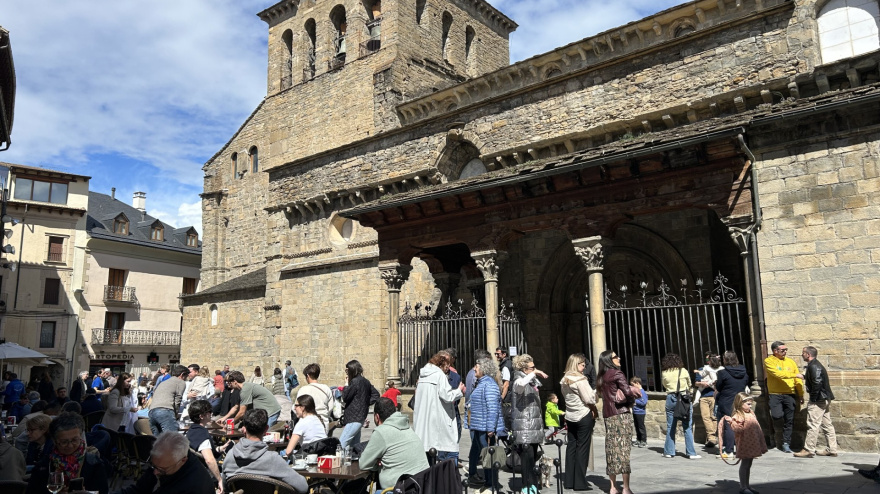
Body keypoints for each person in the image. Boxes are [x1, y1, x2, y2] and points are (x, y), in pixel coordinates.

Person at [222, 409, 308, 493]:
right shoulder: (272, 459)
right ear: (266, 429)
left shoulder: (230, 455)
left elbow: (225, 486)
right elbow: (303, 487)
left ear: (244, 429)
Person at [26, 412, 109, 494]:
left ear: (81, 436)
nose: (70, 445)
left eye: (74, 440)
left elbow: (102, 491)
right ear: (54, 441)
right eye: (64, 442)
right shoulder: (44, 466)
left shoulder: (93, 463)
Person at [360, 397, 430, 491]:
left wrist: (378, 464)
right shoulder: (407, 427)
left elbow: (363, 464)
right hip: (420, 486)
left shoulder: (381, 432)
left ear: (377, 417)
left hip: (400, 489)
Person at [119, 431, 215, 494]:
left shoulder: (191, 486)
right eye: (153, 465)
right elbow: (139, 490)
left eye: (162, 469)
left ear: (183, 460)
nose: (155, 472)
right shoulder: (165, 463)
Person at [598, 349, 638, 494]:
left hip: (608, 415)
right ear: (609, 360)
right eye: (615, 357)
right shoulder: (617, 373)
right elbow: (627, 391)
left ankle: (612, 487)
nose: (619, 358)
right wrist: (632, 401)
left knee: (611, 450)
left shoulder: (602, 376)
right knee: (623, 451)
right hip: (621, 415)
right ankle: (626, 488)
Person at [413, 351, 464, 463]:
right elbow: (447, 396)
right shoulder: (439, 375)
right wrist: (459, 390)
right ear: (441, 364)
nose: (448, 368)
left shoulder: (423, 375)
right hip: (435, 419)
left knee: (426, 451)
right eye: (447, 365)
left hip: (423, 419)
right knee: (437, 448)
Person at [510, 354, 547, 494]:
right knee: (526, 458)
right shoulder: (518, 380)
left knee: (532, 458)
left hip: (534, 425)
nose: (534, 369)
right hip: (524, 427)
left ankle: (532, 484)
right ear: (524, 369)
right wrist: (534, 374)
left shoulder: (532, 381)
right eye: (532, 367)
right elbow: (520, 386)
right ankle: (526, 486)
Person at [561, 353, 598, 491]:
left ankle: (569, 480)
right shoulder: (580, 380)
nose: (584, 367)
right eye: (582, 364)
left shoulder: (564, 379)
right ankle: (580, 482)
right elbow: (590, 399)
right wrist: (595, 393)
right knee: (582, 448)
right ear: (576, 364)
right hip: (583, 415)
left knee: (571, 447)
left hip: (570, 415)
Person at [794, 346, 838, 458]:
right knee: (827, 424)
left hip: (818, 400)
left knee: (813, 424)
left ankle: (809, 449)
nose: (802, 354)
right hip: (824, 398)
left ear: (808, 355)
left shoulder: (814, 366)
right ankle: (832, 449)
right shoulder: (814, 365)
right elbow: (815, 378)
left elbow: (817, 383)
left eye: (803, 353)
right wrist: (803, 376)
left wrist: (813, 400)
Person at [466, 356, 503, 492]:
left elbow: (492, 407)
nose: (474, 368)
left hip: (485, 427)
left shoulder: (489, 385)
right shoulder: (481, 383)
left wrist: (490, 428)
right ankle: (486, 482)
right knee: (483, 454)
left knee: (489, 456)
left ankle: (490, 484)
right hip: (478, 426)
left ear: (484, 369)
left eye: (476, 366)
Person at [722, 393, 767, 494]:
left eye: (751, 404)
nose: (750, 406)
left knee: (749, 464)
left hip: (752, 441)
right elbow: (737, 429)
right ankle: (743, 487)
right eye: (748, 404)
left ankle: (747, 485)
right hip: (745, 443)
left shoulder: (751, 413)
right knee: (745, 464)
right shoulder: (738, 415)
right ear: (740, 403)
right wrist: (731, 422)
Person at [763, 340, 803, 453]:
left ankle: (786, 443)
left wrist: (800, 393)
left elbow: (797, 380)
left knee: (789, 420)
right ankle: (778, 436)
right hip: (775, 394)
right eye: (783, 350)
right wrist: (795, 375)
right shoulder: (769, 361)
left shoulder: (790, 362)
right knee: (777, 416)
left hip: (789, 394)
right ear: (775, 351)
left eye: (786, 350)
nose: (785, 352)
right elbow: (777, 374)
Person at [661, 352, 700, 459]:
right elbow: (689, 384)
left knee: (670, 426)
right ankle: (691, 453)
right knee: (687, 426)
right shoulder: (683, 371)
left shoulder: (664, 372)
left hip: (671, 398)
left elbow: (664, 385)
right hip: (683, 398)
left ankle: (669, 451)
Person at [714, 351, 750, 459]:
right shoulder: (744, 371)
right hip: (739, 400)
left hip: (726, 401)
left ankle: (729, 451)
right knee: (740, 423)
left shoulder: (723, 373)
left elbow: (719, 387)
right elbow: (745, 383)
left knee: (728, 425)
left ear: (725, 360)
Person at [184, 400, 224, 490]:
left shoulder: (192, 430)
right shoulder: (201, 434)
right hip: (207, 474)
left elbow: (203, 450)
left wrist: (219, 449)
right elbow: (209, 460)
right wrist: (220, 480)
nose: (211, 413)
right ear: (201, 416)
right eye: (209, 411)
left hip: (196, 471)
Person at [340, 359, 379, 449]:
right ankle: (354, 461)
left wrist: (346, 385)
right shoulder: (365, 381)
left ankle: (338, 461)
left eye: (347, 370)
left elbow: (345, 397)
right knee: (354, 445)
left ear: (352, 370)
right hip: (361, 416)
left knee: (342, 443)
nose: (346, 373)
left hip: (353, 417)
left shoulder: (354, 382)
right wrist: (365, 403)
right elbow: (376, 394)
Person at [149, 365, 188, 435]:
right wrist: (176, 414)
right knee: (172, 438)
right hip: (165, 411)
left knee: (157, 441)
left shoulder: (163, 382)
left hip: (152, 412)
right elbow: (178, 400)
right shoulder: (180, 382)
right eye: (186, 377)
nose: (186, 379)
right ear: (182, 374)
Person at [694, 352, 723, 448]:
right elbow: (696, 383)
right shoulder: (702, 369)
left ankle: (711, 438)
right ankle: (712, 437)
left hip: (714, 395)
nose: (708, 361)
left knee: (714, 417)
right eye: (707, 359)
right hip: (704, 396)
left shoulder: (720, 370)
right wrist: (702, 384)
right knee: (705, 417)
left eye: (709, 359)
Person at [297, 363, 334, 430]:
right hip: (323, 423)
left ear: (307, 376)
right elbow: (330, 407)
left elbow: (297, 408)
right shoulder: (326, 389)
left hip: (307, 424)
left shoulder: (303, 390)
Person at [630, 376, 648, 448]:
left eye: (633, 385)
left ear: (637, 383)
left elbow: (643, 402)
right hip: (635, 411)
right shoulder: (636, 392)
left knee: (641, 427)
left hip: (640, 412)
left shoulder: (642, 392)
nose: (632, 387)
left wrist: (635, 401)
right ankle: (638, 439)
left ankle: (643, 440)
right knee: (636, 426)